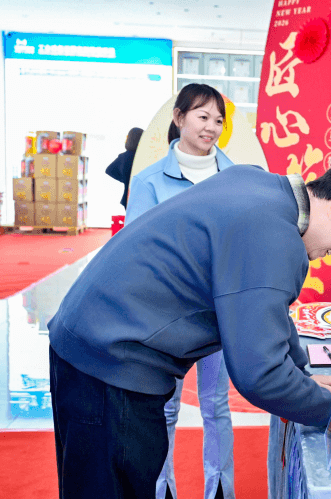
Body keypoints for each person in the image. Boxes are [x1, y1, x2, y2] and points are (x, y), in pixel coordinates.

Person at [48, 164, 331, 499]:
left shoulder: (258, 185)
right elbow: (259, 375)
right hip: (113, 363)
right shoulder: (274, 235)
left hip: (88, 334)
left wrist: (302, 377)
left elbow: (268, 310)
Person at [126, 83, 236, 499]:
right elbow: (136, 253)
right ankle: (162, 489)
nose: (211, 127)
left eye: (218, 120)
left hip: (219, 310)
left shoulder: (237, 178)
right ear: (179, 118)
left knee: (216, 405)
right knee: (166, 407)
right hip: (167, 315)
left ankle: (220, 489)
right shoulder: (149, 181)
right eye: (202, 116)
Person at [105, 127, 144, 210]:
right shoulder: (142, 157)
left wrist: (125, 179)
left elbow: (109, 170)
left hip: (128, 197)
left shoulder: (124, 156)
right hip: (142, 196)